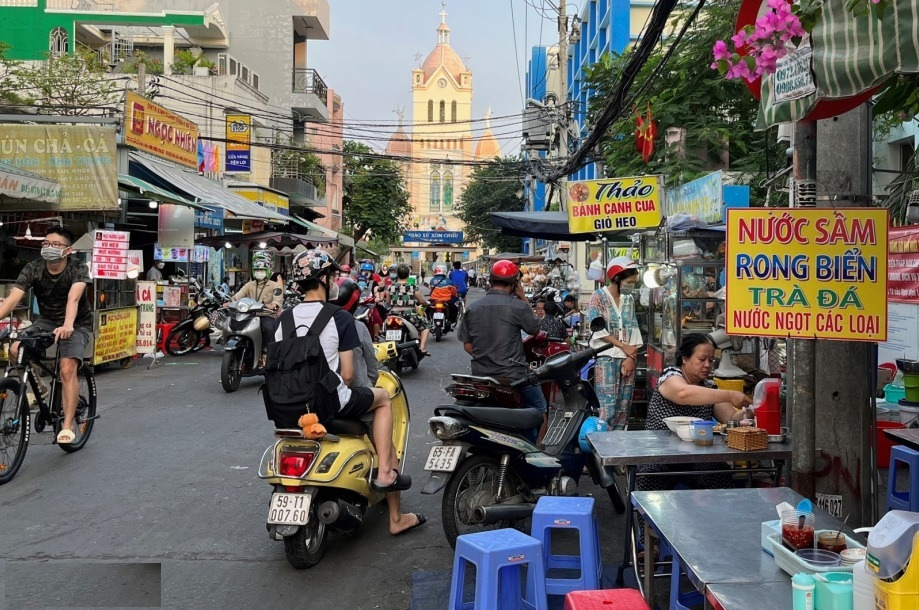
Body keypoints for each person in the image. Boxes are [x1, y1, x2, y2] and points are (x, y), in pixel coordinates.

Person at [284, 249, 424, 535]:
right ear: (322, 279)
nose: (334, 281)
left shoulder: (282, 320)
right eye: (332, 275)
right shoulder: (342, 319)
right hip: (332, 404)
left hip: (289, 407)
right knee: (383, 405)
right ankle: (391, 496)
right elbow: (348, 376)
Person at [634, 333, 753, 549]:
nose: (707, 365)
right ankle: (651, 546)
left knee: (721, 478)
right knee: (650, 480)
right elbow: (683, 394)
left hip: (697, 459)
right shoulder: (670, 376)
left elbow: (730, 417)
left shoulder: (709, 387)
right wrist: (728, 394)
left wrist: (749, 412)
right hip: (660, 457)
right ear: (685, 359)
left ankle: (720, 539)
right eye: (702, 359)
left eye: (711, 360)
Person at [0, 226, 92, 444]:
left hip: (76, 323)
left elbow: (73, 299)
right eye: (46, 243)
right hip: (46, 321)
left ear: (68, 250)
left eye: (56, 244)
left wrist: (68, 324)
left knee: (67, 367)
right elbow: (13, 299)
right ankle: (40, 387)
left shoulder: (78, 268)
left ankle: (67, 426)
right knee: (15, 349)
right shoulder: (34, 268)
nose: (50, 248)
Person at [458, 259, 547, 426]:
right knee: (540, 409)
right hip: (514, 375)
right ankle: (537, 443)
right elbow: (535, 329)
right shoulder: (519, 307)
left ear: (491, 281)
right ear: (515, 284)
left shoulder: (472, 308)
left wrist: (488, 357)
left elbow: (468, 346)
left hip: (481, 375)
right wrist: (523, 297)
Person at [587, 257, 644, 430]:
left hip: (627, 359)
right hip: (606, 359)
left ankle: (620, 443)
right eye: (629, 282)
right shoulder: (598, 297)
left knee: (623, 408)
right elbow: (597, 329)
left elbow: (633, 328)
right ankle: (603, 443)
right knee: (607, 409)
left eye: (634, 282)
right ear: (617, 279)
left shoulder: (629, 300)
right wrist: (622, 346)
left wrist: (631, 358)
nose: (632, 286)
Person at [226, 251, 282, 357]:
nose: (259, 272)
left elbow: (277, 300)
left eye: (262, 270)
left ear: (267, 271)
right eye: (257, 270)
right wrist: (230, 301)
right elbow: (238, 295)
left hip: (265, 315)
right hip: (250, 315)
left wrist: (273, 305)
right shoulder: (249, 285)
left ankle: (265, 352)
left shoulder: (275, 286)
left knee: (269, 328)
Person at [333, 277, 379, 387]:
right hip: (357, 391)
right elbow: (372, 367)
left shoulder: (321, 325)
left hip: (328, 392)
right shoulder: (359, 327)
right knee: (385, 396)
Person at [386, 264, 431, 354]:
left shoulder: (391, 287)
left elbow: (388, 302)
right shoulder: (413, 287)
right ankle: (422, 348)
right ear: (408, 274)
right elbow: (421, 301)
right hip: (409, 314)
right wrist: (426, 304)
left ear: (397, 274)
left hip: (393, 314)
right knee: (426, 326)